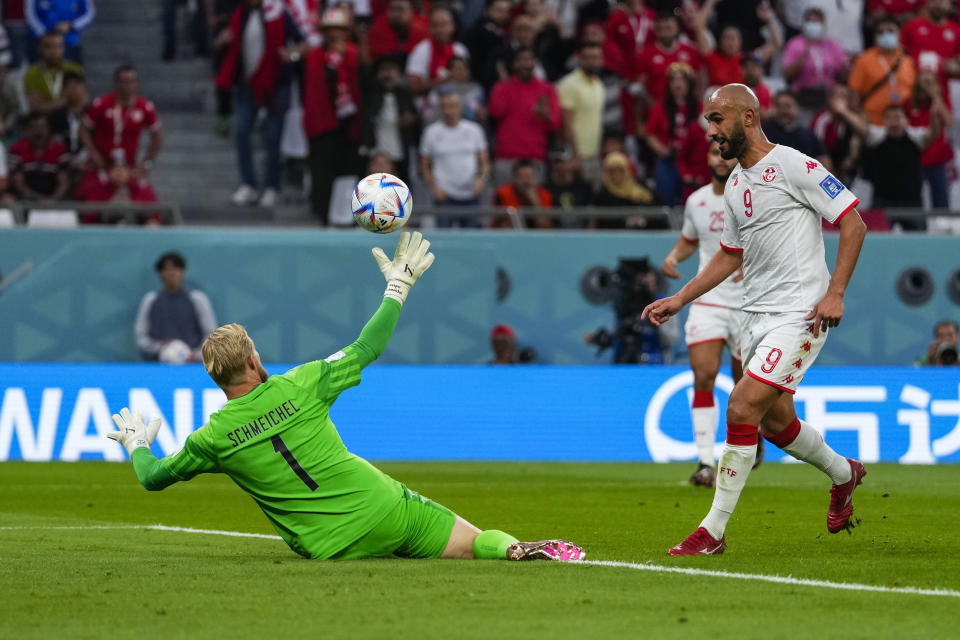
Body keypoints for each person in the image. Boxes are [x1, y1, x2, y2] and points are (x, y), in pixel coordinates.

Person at [110, 232, 584, 563]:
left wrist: (136, 445)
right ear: (252, 361)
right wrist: (397, 288)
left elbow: (153, 478)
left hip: (328, 546)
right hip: (384, 509)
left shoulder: (212, 438)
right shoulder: (303, 382)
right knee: (471, 541)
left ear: (217, 379)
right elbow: (367, 346)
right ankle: (512, 549)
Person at [642, 83, 868, 555]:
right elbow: (729, 255)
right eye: (707, 121)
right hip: (756, 316)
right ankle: (845, 474)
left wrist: (835, 293)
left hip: (801, 314)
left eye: (717, 119)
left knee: (742, 408)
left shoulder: (794, 165)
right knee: (775, 423)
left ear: (748, 117)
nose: (710, 131)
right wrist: (681, 298)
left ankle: (712, 532)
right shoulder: (737, 186)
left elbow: (853, 221)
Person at [660, 141, 754, 488]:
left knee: (746, 382)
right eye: (714, 153)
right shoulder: (697, 201)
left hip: (749, 302)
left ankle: (753, 434)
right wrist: (673, 257)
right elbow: (690, 239)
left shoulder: (753, 194)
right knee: (704, 375)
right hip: (708, 298)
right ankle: (704, 462)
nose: (720, 158)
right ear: (708, 158)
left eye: (725, 153)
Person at [216, 0, 302, 208]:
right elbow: (224, 46)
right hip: (248, 85)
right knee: (241, 132)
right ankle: (249, 184)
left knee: (273, 137)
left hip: (276, 85)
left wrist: (292, 55)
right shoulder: (238, 15)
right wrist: (222, 41)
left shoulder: (279, 14)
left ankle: (272, 187)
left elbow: (302, 42)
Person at [303, 8, 362, 223]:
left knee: (349, 175)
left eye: (338, 29)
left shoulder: (355, 54)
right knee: (322, 176)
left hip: (350, 127)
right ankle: (322, 217)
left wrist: (344, 57)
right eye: (329, 30)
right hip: (323, 126)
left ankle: (348, 220)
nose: (334, 34)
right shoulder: (314, 56)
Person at [76, 65, 162, 209]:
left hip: (129, 168)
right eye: (123, 81)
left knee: (148, 201)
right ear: (116, 83)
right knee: (90, 198)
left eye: (131, 81)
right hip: (102, 165)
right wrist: (94, 155)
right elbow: (83, 129)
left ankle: (147, 224)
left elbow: (157, 136)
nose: (127, 86)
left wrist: (146, 163)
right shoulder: (101, 104)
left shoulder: (145, 107)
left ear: (136, 84)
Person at [857, 101, 945, 230]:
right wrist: (843, 111)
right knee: (876, 241)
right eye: (889, 118)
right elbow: (861, 129)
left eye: (897, 117)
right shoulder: (877, 137)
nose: (894, 122)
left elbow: (933, 134)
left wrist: (934, 117)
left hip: (912, 202)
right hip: (882, 201)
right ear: (884, 121)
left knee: (918, 242)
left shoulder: (916, 137)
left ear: (906, 121)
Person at [488, 47, 560, 189]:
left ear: (535, 63)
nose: (525, 64)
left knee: (533, 207)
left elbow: (556, 124)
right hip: (506, 158)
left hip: (534, 159)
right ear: (514, 64)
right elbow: (495, 112)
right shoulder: (502, 87)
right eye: (520, 61)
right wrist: (505, 87)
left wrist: (546, 116)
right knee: (503, 208)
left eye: (528, 60)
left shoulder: (547, 89)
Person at [419, 91, 490, 223]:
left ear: (459, 107)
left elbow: (484, 162)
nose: (448, 110)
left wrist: (482, 180)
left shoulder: (474, 130)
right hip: (444, 194)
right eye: (444, 106)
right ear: (440, 109)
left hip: (470, 193)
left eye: (452, 106)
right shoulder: (431, 132)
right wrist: (433, 188)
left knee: (471, 239)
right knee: (444, 241)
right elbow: (424, 166)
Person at [135, 251, 217, 363]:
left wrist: (196, 355)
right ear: (160, 273)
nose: (171, 273)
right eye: (166, 269)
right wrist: (160, 347)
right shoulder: (150, 300)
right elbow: (141, 337)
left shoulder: (197, 299)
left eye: (175, 268)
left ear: (182, 271)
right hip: (159, 366)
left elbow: (211, 334)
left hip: (192, 366)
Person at [848, 17, 915, 125]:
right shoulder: (864, 60)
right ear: (874, 37)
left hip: (903, 124)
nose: (885, 35)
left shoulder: (907, 61)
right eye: (880, 32)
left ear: (899, 35)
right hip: (873, 122)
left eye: (890, 31)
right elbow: (854, 93)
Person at [781, 8, 848, 114]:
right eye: (809, 21)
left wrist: (845, 66)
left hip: (827, 97)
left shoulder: (832, 46)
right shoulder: (795, 44)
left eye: (816, 22)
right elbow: (786, 73)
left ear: (823, 25)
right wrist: (802, 58)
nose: (813, 25)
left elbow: (842, 75)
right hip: (803, 97)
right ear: (804, 24)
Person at [557, 43, 605, 186]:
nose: (593, 62)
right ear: (580, 60)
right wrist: (573, 155)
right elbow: (566, 122)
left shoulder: (599, 84)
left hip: (593, 154)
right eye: (588, 58)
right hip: (576, 156)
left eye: (596, 58)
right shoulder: (569, 84)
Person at [405, 6, 469, 96]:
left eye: (443, 24)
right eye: (435, 25)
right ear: (429, 27)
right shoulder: (421, 50)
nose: (439, 29)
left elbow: (467, 81)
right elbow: (413, 86)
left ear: (452, 26)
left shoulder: (460, 49)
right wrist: (440, 82)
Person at [8, 111, 69, 201]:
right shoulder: (16, 149)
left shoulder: (60, 149)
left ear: (49, 129)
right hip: (26, 200)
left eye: (42, 127)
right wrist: (39, 199)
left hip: (55, 199)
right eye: (34, 127)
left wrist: (52, 200)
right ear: (26, 130)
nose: (38, 132)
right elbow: (18, 183)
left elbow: (64, 182)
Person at [23, 30, 83, 114]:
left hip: (70, 118)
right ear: (40, 48)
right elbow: (37, 107)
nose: (54, 51)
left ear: (64, 48)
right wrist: (66, 99)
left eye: (59, 46)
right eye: (48, 47)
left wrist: (48, 104)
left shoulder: (74, 69)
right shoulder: (31, 73)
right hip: (44, 122)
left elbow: (82, 101)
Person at [763, 90, 830, 166]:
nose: (783, 111)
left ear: (796, 108)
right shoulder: (763, 132)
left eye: (788, 106)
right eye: (779, 106)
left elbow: (824, 159)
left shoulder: (807, 135)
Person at [25, 0, 94, 62]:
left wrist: (71, 25)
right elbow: (30, 13)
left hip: (69, 41)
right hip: (41, 41)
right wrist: (43, 32)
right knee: (39, 73)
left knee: (71, 72)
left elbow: (88, 12)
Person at [493, 158, 554, 228]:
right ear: (514, 179)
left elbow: (546, 227)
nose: (526, 182)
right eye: (522, 177)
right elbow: (503, 227)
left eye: (529, 177)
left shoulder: (545, 194)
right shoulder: (503, 194)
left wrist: (535, 201)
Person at [365, 0, 429, 64]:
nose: (396, 14)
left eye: (401, 9)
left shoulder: (424, 28)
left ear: (411, 11)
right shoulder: (377, 28)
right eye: (392, 9)